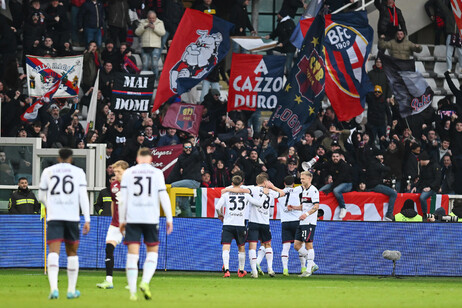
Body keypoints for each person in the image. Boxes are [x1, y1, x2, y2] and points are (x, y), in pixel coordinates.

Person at [119, 148, 173, 301]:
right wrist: (169, 218)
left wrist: (122, 220)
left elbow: (122, 199)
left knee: (132, 255)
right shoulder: (157, 173)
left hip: (133, 218)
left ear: (137, 159)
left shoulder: (129, 173)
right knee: (152, 252)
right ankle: (145, 281)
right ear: (150, 159)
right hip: (151, 218)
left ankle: (132, 293)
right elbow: (163, 196)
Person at [38, 148, 90, 300]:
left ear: (58, 158)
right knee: (72, 253)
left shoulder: (48, 171)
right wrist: (87, 218)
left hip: (54, 217)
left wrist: (50, 205)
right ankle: (71, 290)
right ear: (71, 158)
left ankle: (54, 289)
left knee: (54, 252)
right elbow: (83, 196)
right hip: (72, 218)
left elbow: (41, 196)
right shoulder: (79, 172)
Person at [215, 174, 267, 278]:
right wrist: (265, 195)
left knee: (226, 247)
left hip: (228, 224)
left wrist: (220, 214)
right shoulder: (246, 195)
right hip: (240, 224)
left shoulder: (226, 194)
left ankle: (227, 270)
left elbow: (217, 207)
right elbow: (258, 204)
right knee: (241, 247)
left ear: (232, 183)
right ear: (242, 183)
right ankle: (241, 270)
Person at [97, 160, 129, 289]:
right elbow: (113, 202)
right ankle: (109, 281)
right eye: (114, 172)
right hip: (115, 224)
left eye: (119, 172)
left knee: (133, 252)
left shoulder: (134, 185)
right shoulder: (114, 185)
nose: (116, 174)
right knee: (109, 248)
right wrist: (113, 218)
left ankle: (132, 282)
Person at [287, 171, 320, 277]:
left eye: (303, 179)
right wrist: (294, 207)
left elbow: (316, 207)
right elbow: (304, 206)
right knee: (296, 245)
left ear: (310, 179)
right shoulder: (304, 191)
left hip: (309, 222)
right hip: (302, 222)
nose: (301, 180)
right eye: (300, 178)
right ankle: (313, 264)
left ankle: (309, 269)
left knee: (309, 245)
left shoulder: (313, 191)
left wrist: (306, 214)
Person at [278, 176, 307, 276]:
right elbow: (304, 185)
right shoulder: (296, 190)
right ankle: (304, 267)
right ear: (293, 184)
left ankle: (285, 270)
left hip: (285, 222)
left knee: (285, 247)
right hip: (297, 221)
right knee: (300, 245)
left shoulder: (280, 193)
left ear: (284, 183)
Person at [319, 151, 353, 219]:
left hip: (347, 184)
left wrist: (330, 189)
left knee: (336, 190)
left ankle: (343, 208)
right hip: (335, 183)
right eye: (333, 156)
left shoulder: (344, 166)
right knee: (320, 191)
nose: (335, 158)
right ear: (331, 157)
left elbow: (340, 179)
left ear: (340, 157)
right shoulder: (330, 163)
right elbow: (322, 166)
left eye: (337, 156)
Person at [366, 149, 397, 221]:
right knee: (393, 194)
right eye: (381, 155)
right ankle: (389, 214)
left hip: (372, 184)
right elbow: (387, 169)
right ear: (377, 156)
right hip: (374, 186)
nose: (382, 157)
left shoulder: (372, 163)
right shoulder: (376, 163)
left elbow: (375, 176)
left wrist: (383, 181)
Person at [135, 11, 166, 78]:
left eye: (153, 18)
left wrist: (154, 28)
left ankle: (154, 80)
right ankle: (145, 81)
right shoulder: (143, 22)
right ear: (147, 17)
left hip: (155, 47)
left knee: (154, 64)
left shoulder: (160, 22)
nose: (151, 20)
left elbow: (163, 33)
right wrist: (144, 27)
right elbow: (137, 32)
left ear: (156, 17)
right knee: (144, 64)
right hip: (145, 46)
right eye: (150, 18)